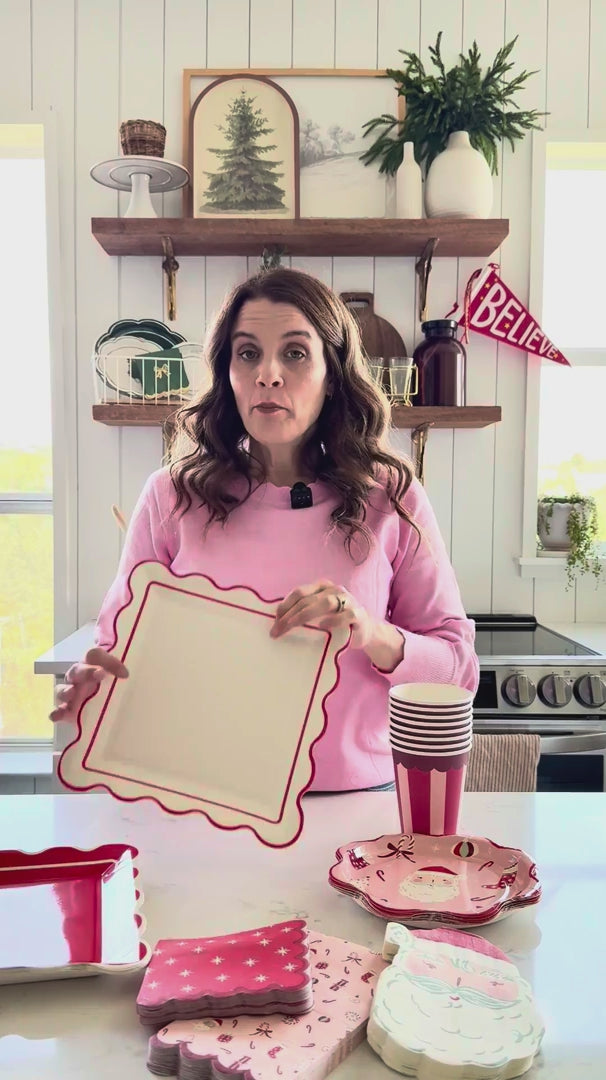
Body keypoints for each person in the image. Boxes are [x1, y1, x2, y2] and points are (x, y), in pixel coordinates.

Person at [51, 268, 479, 792]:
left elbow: (457, 670)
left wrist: (369, 630)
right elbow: (121, 653)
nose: (267, 374)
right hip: (202, 804)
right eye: (248, 353)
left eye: (295, 353)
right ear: (227, 373)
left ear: (333, 373)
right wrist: (96, 690)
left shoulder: (392, 497)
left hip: (357, 809)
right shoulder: (170, 497)